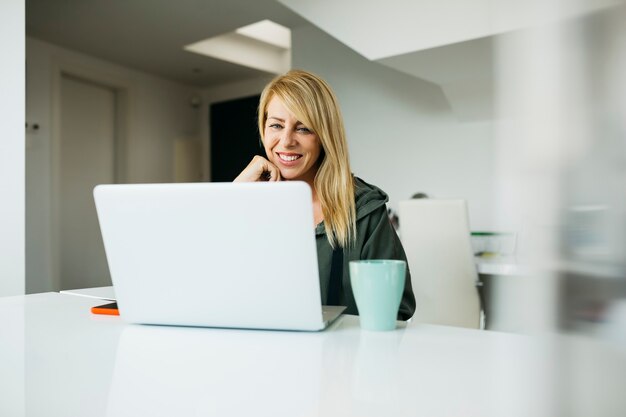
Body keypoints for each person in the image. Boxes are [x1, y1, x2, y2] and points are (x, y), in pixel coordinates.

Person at [234, 69, 415, 320]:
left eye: (304, 128)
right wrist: (233, 197)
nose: (286, 141)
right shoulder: (248, 201)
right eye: (276, 125)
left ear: (325, 136)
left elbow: (396, 311)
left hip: (340, 356)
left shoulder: (363, 209)